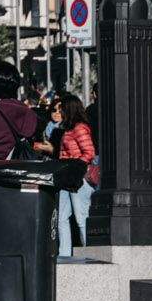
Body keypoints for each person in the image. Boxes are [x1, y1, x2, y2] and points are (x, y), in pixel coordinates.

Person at [50, 90, 96, 259]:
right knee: (61, 217)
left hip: (78, 177)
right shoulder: (68, 129)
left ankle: (87, 251)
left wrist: (76, 164)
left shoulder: (79, 128)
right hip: (67, 176)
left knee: (80, 217)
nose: (59, 112)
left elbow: (89, 152)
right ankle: (64, 254)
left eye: (62, 108)